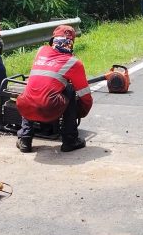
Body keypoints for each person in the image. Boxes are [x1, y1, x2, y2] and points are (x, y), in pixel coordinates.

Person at [15, 24, 92, 153]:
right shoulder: (74, 63)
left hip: (24, 105)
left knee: (34, 89)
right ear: (71, 43)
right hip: (49, 108)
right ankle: (70, 140)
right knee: (69, 89)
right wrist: (81, 112)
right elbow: (85, 96)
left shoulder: (41, 51)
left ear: (53, 41)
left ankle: (25, 139)